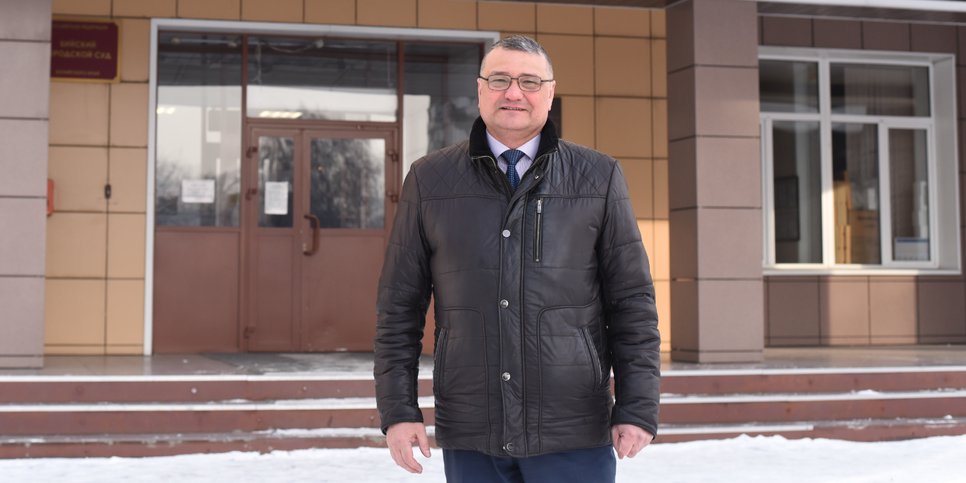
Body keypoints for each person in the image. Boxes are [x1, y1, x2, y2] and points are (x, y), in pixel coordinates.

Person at [374, 34, 661, 483]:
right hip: (473, 427)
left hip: (573, 428)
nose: (513, 92)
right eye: (500, 79)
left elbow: (632, 303)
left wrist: (638, 406)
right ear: (480, 89)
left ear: (549, 92)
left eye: (529, 81)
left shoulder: (598, 176)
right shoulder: (430, 179)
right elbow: (398, 309)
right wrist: (398, 411)